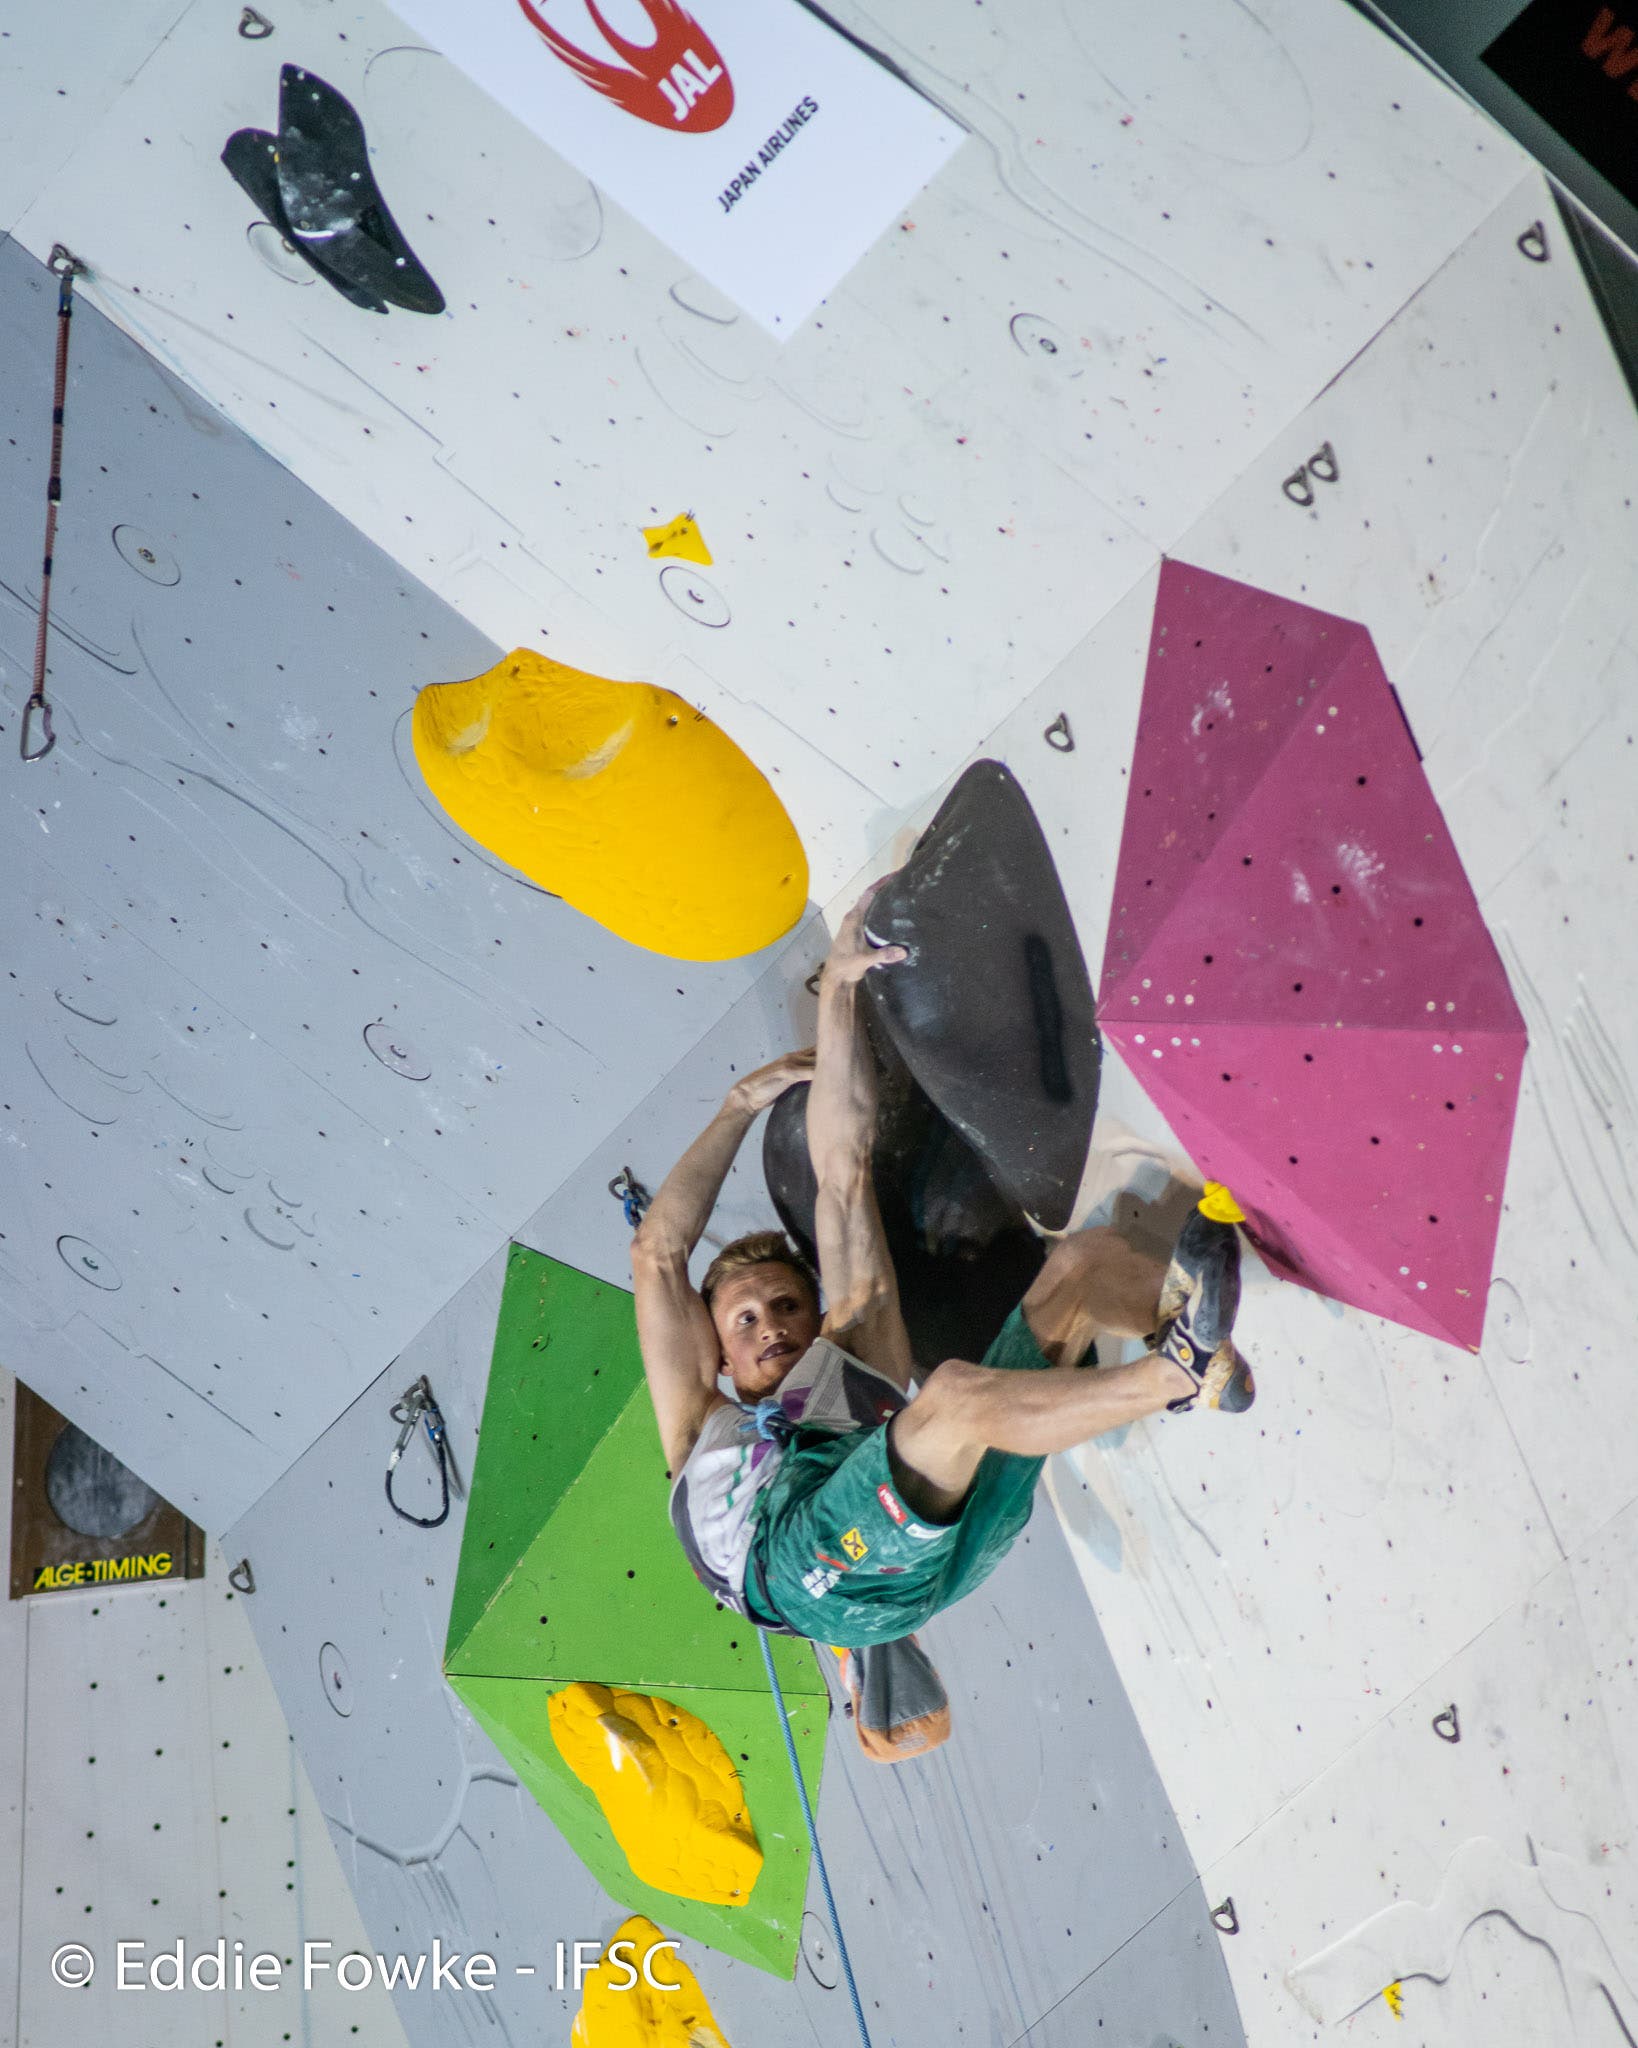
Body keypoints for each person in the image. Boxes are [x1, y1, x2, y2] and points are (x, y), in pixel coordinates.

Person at [629, 881, 1249, 1648]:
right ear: (716, 1355)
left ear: (817, 1313)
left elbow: (843, 1167)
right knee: (951, 1394)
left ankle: (1198, 1333)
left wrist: (843, 987)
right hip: (804, 1574)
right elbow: (658, 1255)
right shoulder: (700, 1430)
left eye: (788, 1306)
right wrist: (734, 1108)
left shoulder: (852, 1343)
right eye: (747, 1320)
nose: (773, 1328)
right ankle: (1178, 1375)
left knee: (1082, 1271)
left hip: (928, 1542)